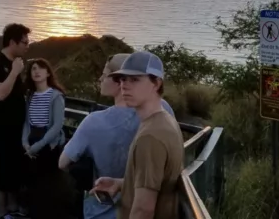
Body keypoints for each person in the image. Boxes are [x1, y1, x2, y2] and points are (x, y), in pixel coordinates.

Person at [58, 54, 174, 219]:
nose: (100, 79)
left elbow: (63, 162)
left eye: (105, 75)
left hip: (103, 211)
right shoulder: (162, 108)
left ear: (120, 81)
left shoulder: (94, 122)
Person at [92, 52, 184, 219]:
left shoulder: (151, 136)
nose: (124, 86)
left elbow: (143, 209)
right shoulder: (163, 120)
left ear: (156, 83)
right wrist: (120, 184)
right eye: (123, 79)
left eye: (135, 79)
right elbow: (158, 181)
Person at [0, 23, 31, 219]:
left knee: (13, 168)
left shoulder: (14, 64)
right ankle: (0, 212)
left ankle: (12, 207)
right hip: (3, 128)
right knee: (3, 170)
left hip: (16, 128)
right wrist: (14, 72)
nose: (27, 46)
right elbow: (0, 94)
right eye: (24, 42)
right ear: (12, 42)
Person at [22, 58, 69, 219]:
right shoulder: (30, 95)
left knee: (48, 182)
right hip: (32, 139)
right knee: (32, 180)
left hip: (49, 143)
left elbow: (57, 126)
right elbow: (27, 122)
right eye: (33, 69)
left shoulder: (55, 96)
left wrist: (38, 145)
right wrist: (25, 142)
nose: (36, 71)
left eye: (41, 68)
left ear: (48, 73)